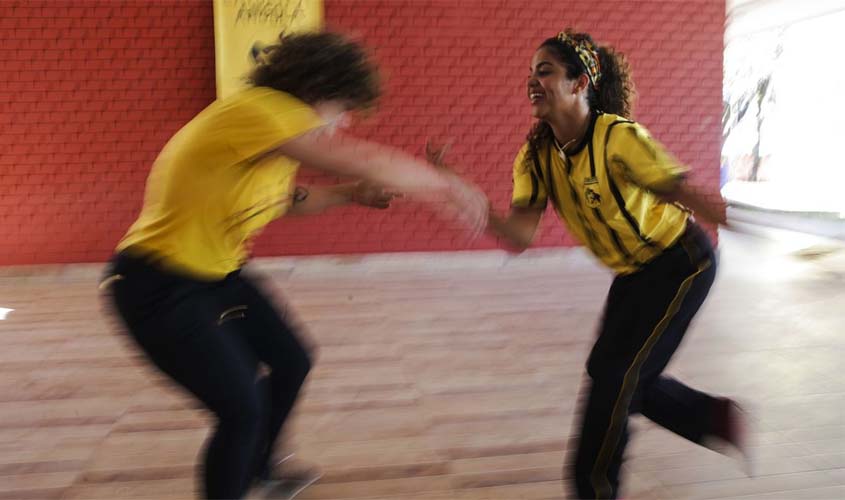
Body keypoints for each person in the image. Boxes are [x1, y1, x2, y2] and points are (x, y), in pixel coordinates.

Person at [101, 31, 487, 500]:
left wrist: (349, 194)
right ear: (316, 89)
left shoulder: (267, 137)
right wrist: (446, 186)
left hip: (216, 275)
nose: (344, 122)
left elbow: (288, 199)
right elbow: (359, 157)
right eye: (342, 108)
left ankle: (260, 466)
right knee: (241, 408)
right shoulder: (262, 109)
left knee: (291, 360)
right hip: (155, 283)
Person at [430, 29, 746, 499]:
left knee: (617, 382)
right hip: (633, 273)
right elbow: (520, 236)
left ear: (580, 84)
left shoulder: (617, 138)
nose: (533, 82)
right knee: (611, 372)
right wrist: (467, 197)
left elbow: (680, 190)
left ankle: (593, 489)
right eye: (531, 73)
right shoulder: (536, 156)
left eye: (546, 71)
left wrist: (743, 219)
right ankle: (713, 418)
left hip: (682, 263)